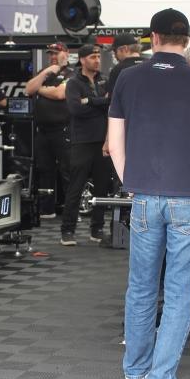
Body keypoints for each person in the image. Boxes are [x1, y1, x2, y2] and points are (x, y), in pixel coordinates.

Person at [108, 8, 190, 379]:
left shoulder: (128, 78)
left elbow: (114, 143)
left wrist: (132, 182)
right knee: (178, 293)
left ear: (154, 38)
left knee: (141, 287)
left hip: (144, 196)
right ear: (187, 40)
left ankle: (136, 371)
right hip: (188, 198)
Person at [61, 44, 113, 246]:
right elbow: (75, 109)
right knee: (75, 187)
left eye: (98, 56)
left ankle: (97, 229)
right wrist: (100, 102)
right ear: (82, 60)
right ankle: (67, 230)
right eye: (92, 57)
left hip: (103, 141)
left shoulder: (104, 80)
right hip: (81, 141)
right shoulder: (74, 83)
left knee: (102, 188)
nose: (97, 60)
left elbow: (111, 105)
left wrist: (89, 101)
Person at [26, 42, 72, 219]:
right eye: (51, 54)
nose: (53, 56)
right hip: (43, 131)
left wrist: (40, 89)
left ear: (66, 53)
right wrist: (45, 74)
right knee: (45, 170)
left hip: (64, 129)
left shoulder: (73, 73)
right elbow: (28, 89)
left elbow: (60, 94)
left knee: (67, 171)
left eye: (56, 53)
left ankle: (71, 211)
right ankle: (47, 209)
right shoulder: (43, 73)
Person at [106, 34, 143, 98]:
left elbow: (112, 99)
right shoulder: (151, 64)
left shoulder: (118, 69)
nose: (114, 55)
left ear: (125, 48)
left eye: (115, 51)